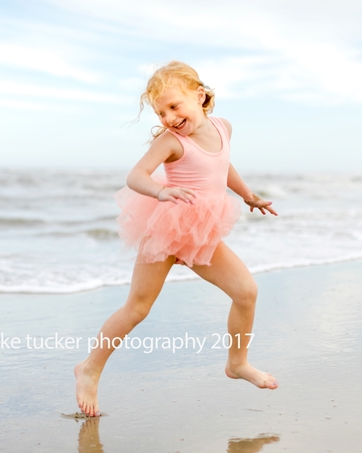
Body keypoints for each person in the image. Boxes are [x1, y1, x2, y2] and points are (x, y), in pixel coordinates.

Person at [75, 61, 278, 417]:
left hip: (201, 231)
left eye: (174, 106)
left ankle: (238, 363)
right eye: (160, 111)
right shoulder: (171, 141)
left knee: (246, 292)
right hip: (167, 228)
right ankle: (89, 368)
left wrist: (248, 195)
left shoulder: (223, 127)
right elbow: (135, 175)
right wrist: (159, 192)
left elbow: (222, 165)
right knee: (137, 308)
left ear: (199, 96)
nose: (168, 117)